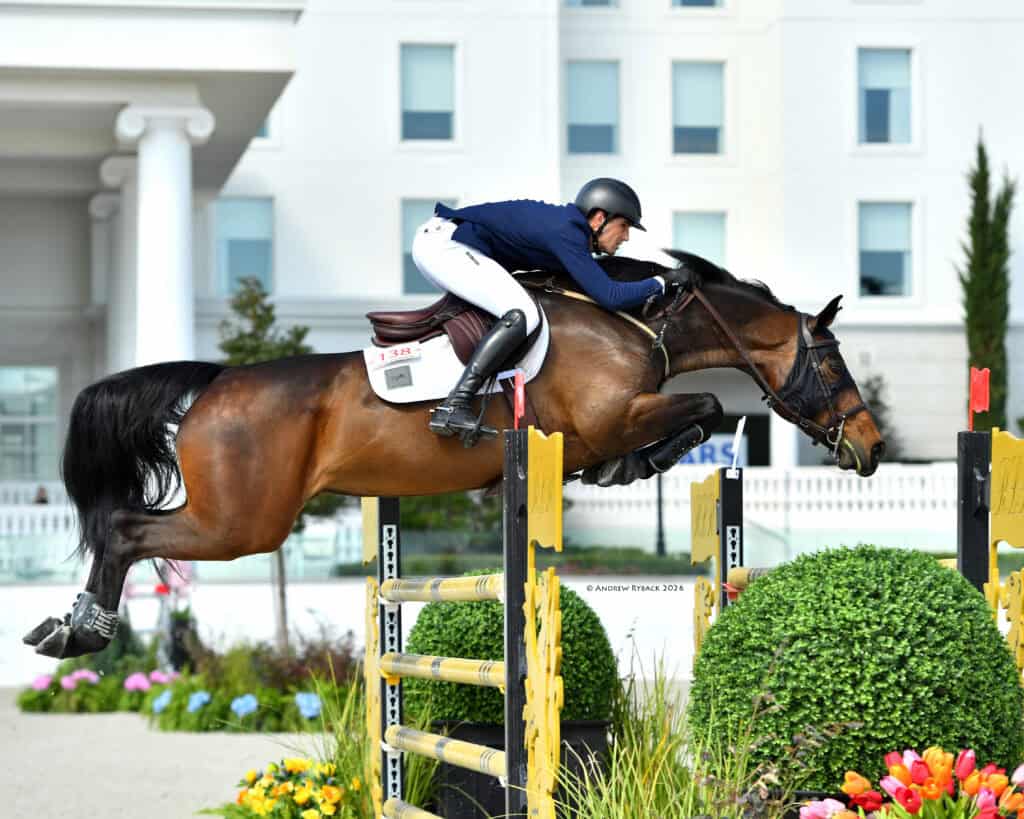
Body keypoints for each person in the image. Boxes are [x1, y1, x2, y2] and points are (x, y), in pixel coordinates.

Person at [412, 177, 675, 443]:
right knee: (522, 313)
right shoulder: (568, 232)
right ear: (598, 218)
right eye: (624, 225)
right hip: (447, 246)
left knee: (515, 309)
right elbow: (610, 296)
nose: (626, 236)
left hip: (446, 245)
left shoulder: (569, 233)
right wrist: (662, 282)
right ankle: (455, 404)